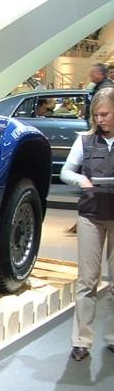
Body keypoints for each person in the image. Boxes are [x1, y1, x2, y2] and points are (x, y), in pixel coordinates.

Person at [60, 87, 114, 361]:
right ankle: (81, 340)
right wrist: (80, 179)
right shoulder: (84, 141)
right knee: (87, 281)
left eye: (105, 114)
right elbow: (65, 171)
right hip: (91, 216)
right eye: (96, 115)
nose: (100, 119)